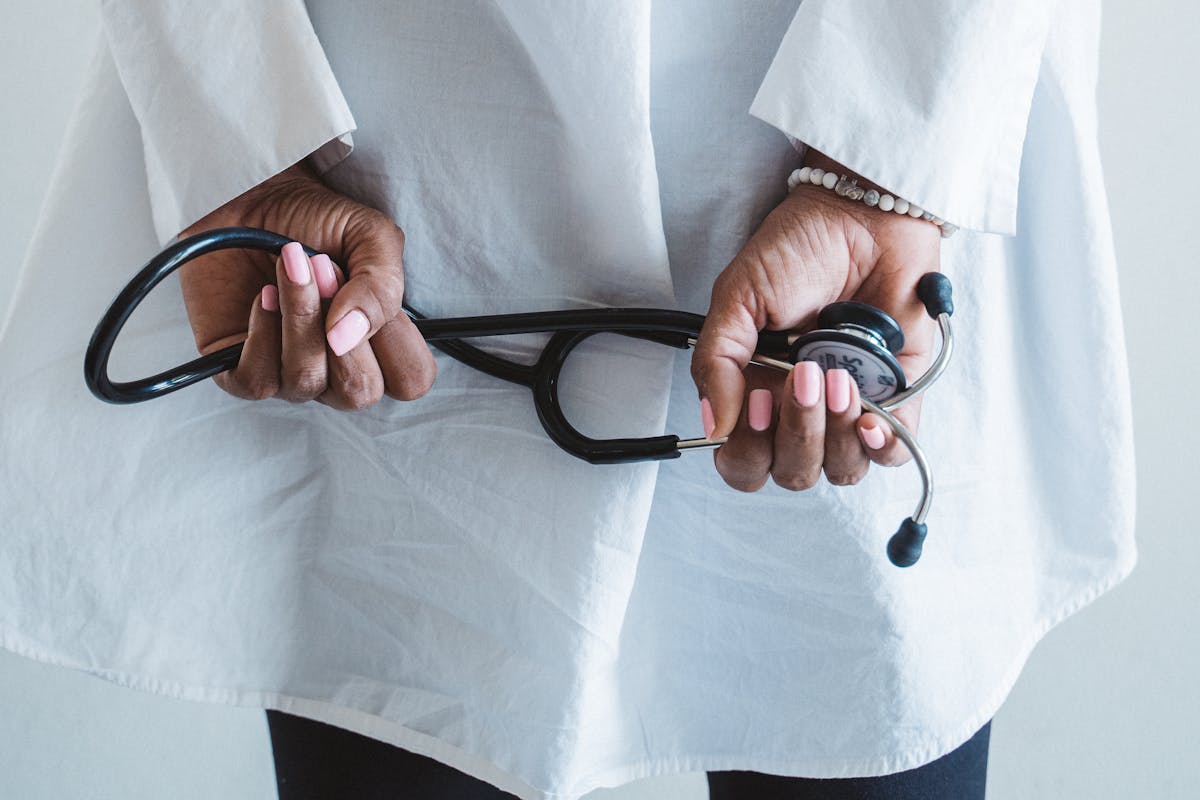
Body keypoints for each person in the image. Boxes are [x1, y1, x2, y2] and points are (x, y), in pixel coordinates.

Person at [0, 2, 1135, 799]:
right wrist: (239, 134)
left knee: (863, 679)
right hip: (383, 148)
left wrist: (892, 163)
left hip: (863, 205)